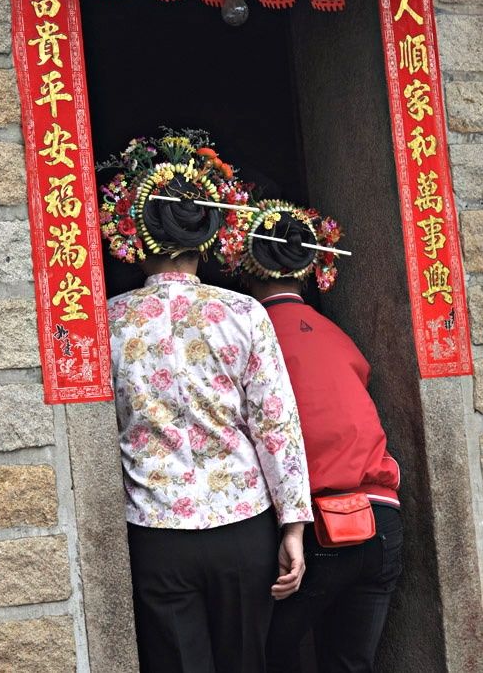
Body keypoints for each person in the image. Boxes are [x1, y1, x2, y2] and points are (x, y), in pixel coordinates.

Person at [98, 132, 313, 673]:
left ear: (135, 238)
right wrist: (294, 525)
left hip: (156, 530)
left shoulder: (107, 322)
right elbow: (276, 425)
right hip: (242, 526)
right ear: (207, 236)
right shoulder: (244, 313)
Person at [222, 197, 403, 673]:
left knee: (268, 654)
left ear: (243, 269)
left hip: (318, 526)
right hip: (382, 520)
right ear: (306, 269)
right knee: (351, 663)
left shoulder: (249, 336)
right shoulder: (337, 334)